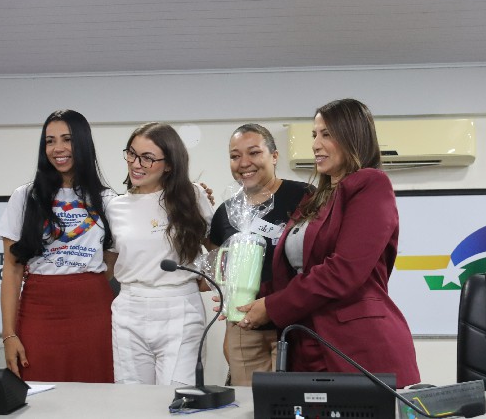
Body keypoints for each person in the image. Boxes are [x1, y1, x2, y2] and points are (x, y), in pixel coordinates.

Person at [235, 99, 421, 388]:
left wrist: (271, 306)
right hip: (306, 343)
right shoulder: (315, 199)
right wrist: (246, 298)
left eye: (327, 134)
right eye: (314, 135)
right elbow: (296, 274)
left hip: (358, 346)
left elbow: (344, 271)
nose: (315, 145)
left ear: (352, 137)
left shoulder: (371, 184)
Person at [0, 109, 116, 383]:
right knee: (38, 393)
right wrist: (9, 335)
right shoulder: (25, 197)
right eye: (50, 141)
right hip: (39, 312)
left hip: (94, 312)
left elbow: (111, 265)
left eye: (67, 139)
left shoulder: (108, 199)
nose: (57, 148)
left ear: (82, 143)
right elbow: (11, 272)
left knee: (97, 394)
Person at [105, 122, 213, 385]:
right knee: (132, 399)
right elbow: (108, 265)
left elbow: (216, 249)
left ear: (169, 165)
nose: (136, 164)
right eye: (132, 153)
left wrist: (207, 280)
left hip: (180, 309)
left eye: (147, 158)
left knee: (179, 395)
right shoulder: (114, 207)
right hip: (129, 308)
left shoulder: (193, 196)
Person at [209, 123, 311, 386]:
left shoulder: (304, 197)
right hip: (245, 327)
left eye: (254, 153)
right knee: (247, 401)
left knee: (293, 400)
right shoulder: (226, 212)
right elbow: (218, 262)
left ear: (274, 156)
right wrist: (227, 300)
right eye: (235, 156)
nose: (244, 163)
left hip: (295, 324)